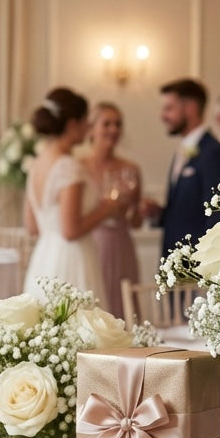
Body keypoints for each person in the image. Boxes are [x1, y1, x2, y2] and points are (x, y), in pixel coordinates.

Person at [23, 87, 132, 304]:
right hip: (72, 258)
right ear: (73, 125)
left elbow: (32, 226)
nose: (88, 127)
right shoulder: (68, 166)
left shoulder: (37, 163)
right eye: (86, 122)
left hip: (44, 257)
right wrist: (108, 208)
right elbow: (70, 231)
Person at [148, 78, 220, 259]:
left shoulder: (214, 154)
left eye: (169, 108)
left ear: (190, 108)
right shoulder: (183, 150)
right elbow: (186, 212)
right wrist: (159, 213)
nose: (163, 116)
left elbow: (218, 216)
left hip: (196, 265)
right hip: (175, 261)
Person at [80, 101, 143, 318]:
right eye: (106, 124)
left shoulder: (131, 169)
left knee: (123, 305)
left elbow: (135, 222)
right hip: (92, 243)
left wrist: (138, 209)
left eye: (117, 124)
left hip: (122, 245)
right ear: (91, 129)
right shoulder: (79, 166)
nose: (113, 130)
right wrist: (105, 209)